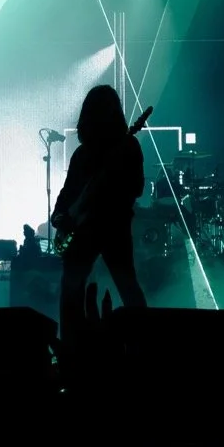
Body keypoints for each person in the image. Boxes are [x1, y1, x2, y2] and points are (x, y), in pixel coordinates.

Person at [49, 83, 148, 334]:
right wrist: (60, 216)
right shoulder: (82, 155)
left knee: (125, 287)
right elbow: (68, 193)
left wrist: (109, 189)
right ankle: (74, 347)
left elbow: (134, 189)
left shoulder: (127, 148)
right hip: (86, 230)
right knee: (76, 289)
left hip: (112, 227)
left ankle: (143, 345)